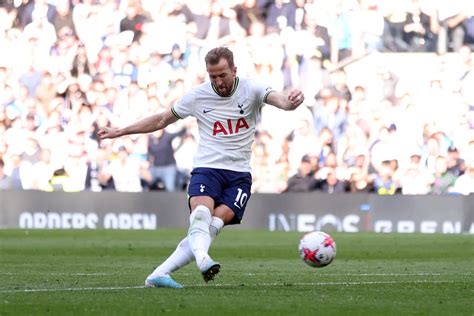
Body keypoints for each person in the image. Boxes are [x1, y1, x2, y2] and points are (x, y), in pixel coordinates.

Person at [97, 47, 305, 289]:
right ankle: (203, 259)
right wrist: (121, 131)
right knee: (200, 217)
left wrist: (291, 102)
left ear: (234, 70)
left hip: (239, 176)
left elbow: (281, 101)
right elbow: (162, 119)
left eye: (222, 75)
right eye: (212, 76)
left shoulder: (252, 89)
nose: (218, 82)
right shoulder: (198, 96)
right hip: (208, 168)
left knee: (212, 227)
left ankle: (158, 274)